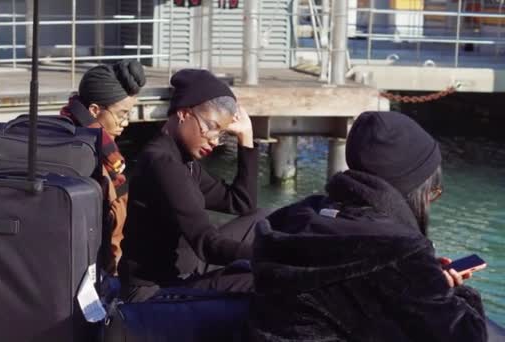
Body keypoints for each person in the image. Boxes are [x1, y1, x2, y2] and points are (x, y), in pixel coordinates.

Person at [251, 111, 487, 342]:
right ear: (412, 190)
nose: (430, 201)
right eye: (431, 193)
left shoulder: (297, 215)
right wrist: (455, 292)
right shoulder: (399, 249)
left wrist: (427, 280)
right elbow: (467, 334)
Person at [118, 69, 263, 302]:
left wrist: (246, 139)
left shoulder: (185, 161)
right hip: (154, 290)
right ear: (184, 113)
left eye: (222, 133)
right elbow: (207, 244)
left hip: (187, 269)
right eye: (211, 127)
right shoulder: (163, 162)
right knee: (259, 279)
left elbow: (242, 203)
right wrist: (271, 255)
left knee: (261, 218)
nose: (215, 140)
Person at [60, 60, 146, 275]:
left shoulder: (61, 133)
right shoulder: (101, 162)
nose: (125, 123)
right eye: (121, 114)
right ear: (94, 110)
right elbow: (113, 237)